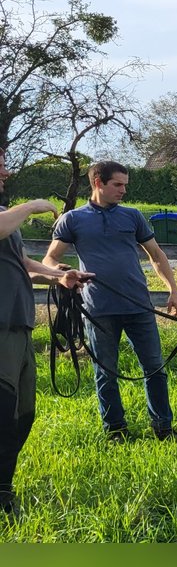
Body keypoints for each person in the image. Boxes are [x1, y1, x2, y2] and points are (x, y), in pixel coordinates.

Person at [43, 161, 177, 442]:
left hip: (138, 306)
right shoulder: (73, 220)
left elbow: (155, 255)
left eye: (125, 185)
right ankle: (115, 430)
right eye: (117, 185)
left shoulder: (133, 217)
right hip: (98, 310)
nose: (123, 190)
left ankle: (163, 428)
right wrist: (62, 274)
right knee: (105, 373)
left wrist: (173, 288)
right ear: (98, 183)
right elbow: (50, 259)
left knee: (155, 369)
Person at [0, 147, 92, 517]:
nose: (5, 171)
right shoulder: (8, 218)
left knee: (23, 414)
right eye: (0, 164)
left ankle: (4, 490)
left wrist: (59, 276)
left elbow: (20, 263)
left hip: (19, 324)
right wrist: (31, 206)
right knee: (3, 412)